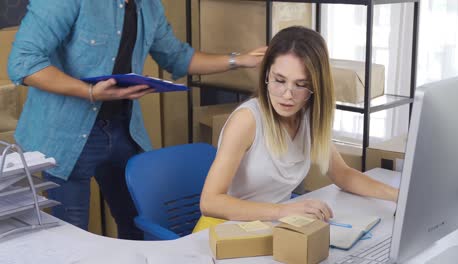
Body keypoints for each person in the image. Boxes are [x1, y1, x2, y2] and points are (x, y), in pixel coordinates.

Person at [7, 0, 265, 240]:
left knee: (138, 224)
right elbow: (23, 62)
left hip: (124, 128)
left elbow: (177, 57)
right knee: (73, 236)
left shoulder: (149, 5)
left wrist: (239, 60)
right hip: (64, 134)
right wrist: (89, 92)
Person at [195, 26, 398, 231]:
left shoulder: (308, 116)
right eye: (279, 80)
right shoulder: (247, 121)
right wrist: (283, 211)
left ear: (316, 86)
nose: (287, 94)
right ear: (267, 74)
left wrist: (398, 195)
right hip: (224, 231)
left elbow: (342, 174)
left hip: (270, 228)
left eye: (300, 84)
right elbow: (210, 202)